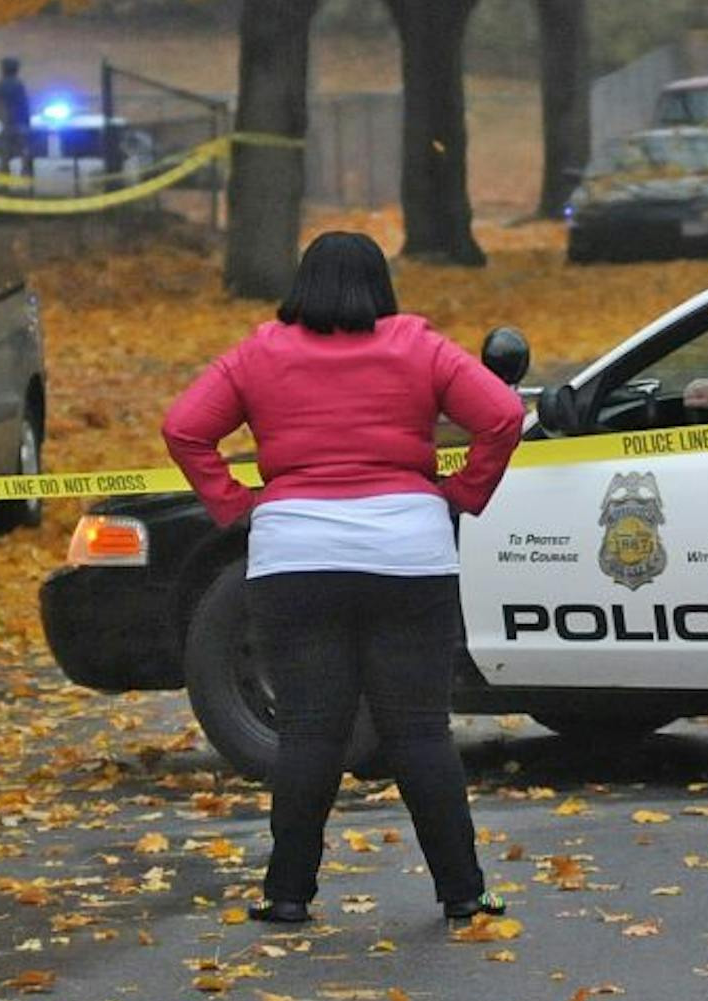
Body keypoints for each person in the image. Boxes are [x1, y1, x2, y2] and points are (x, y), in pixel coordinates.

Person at [161, 232, 523, 926]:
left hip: (295, 557)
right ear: (380, 286)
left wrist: (233, 503)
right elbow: (503, 415)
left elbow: (184, 428)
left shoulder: (259, 350)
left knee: (309, 732)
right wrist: (465, 492)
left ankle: (288, 893)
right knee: (419, 731)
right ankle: (464, 892)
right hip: (409, 555)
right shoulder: (419, 344)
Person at [0, 56, 33, 178]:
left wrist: (1, 120)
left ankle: (5, 183)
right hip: (21, 126)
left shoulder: (1, 85)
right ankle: (26, 179)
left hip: (8, 126)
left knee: (4, 157)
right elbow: (25, 106)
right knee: (25, 154)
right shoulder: (19, 85)